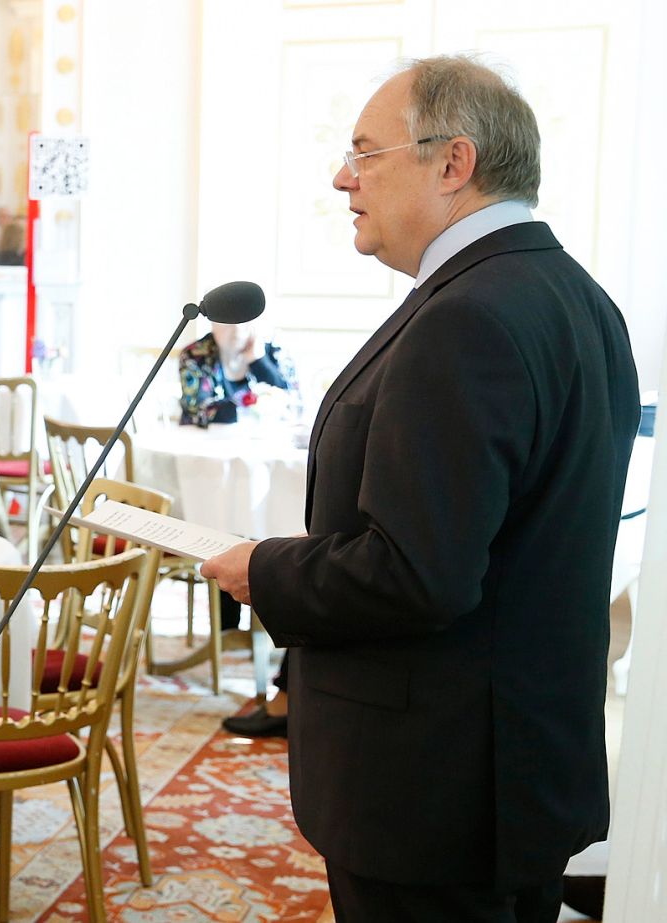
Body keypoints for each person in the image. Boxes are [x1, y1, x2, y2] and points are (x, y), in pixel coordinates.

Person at [200, 55, 638, 921]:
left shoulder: (467, 316)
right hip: (512, 768)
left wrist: (267, 570)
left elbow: (416, 574)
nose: (341, 177)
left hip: (435, 788)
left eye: (365, 152)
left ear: (453, 163)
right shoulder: (578, 298)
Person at [178, 321, 299, 427]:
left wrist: (259, 361)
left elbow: (295, 404)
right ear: (213, 322)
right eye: (228, 320)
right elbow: (196, 410)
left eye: (246, 319)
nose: (238, 328)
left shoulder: (275, 349)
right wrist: (249, 409)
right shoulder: (196, 354)